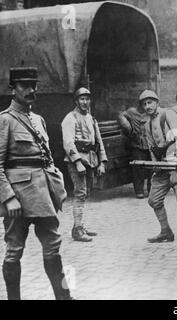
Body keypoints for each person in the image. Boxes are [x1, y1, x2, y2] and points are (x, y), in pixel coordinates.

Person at [0, 67, 73, 300]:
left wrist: (55, 186)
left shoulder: (38, 120)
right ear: (13, 89)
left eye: (34, 85)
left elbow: (46, 159)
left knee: (52, 245)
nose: (31, 90)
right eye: (24, 86)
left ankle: (63, 297)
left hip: (43, 195)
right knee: (14, 250)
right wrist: (8, 197)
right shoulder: (5, 121)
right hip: (18, 198)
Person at [142, 89, 177, 250]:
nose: (147, 106)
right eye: (144, 104)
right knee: (154, 200)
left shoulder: (168, 114)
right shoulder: (147, 124)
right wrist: (154, 165)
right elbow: (152, 147)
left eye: (150, 102)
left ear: (157, 102)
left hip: (176, 163)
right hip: (162, 166)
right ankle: (166, 231)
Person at [61, 87, 107, 242]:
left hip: (91, 159)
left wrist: (102, 162)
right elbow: (68, 143)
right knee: (80, 193)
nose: (85, 102)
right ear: (76, 101)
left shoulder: (91, 118)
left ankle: (80, 225)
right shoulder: (70, 118)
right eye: (82, 99)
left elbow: (99, 142)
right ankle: (77, 230)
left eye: (87, 99)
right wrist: (78, 162)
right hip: (77, 161)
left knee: (85, 193)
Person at [118, 97, 153, 199]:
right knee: (138, 169)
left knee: (152, 168)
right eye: (143, 103)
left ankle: (151, 190)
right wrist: (127, 125)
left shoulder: (152, 113)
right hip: (137, 144)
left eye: (148, 103)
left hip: (150, 144)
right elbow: (120, 115)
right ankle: (139, 190)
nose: (145, 105)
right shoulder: (132, 112)